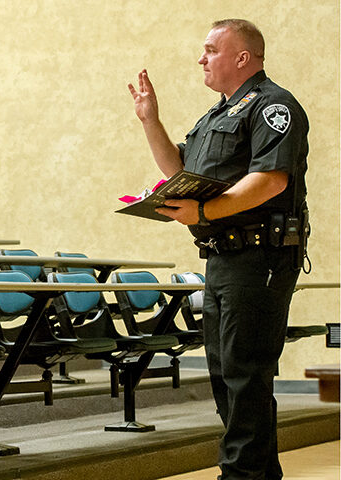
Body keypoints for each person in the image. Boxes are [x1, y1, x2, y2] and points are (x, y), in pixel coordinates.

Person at [128, 19, 308, 479]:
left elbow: (270, 179)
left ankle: (239, 475)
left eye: (210, 49)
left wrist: (205, 214)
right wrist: (152, 121)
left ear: (242, 57)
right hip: (223, 258)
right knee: (228, 377)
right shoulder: (215, 115)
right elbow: (179, 169)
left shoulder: (273, 106)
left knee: (245, 376)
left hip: (261, 257)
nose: (201, 58)